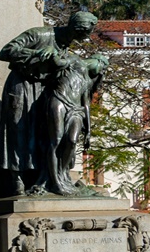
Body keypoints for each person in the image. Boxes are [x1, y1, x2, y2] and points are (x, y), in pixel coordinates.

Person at [0, 11, 98, 195]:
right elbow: (5, 52)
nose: (84, 39)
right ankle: (17, 179)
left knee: (41, 134)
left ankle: (42, 177)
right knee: (18, 130)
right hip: (23, 85)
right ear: (76, 29)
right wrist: (38, 53)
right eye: (83, 35)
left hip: (45, 89)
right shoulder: (40, 34)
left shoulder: (66, 45)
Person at [43, 52, 108, 195]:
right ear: (97, 60)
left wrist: (89, 130)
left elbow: (86, 105)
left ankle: (62, 174)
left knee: (72, 142)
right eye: (103, 67)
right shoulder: (74, 60)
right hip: (59, 101)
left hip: (76, 110)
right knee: (56, 141)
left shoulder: (87, 81)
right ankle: (55, 182)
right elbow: (57, 63)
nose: (103, 71)